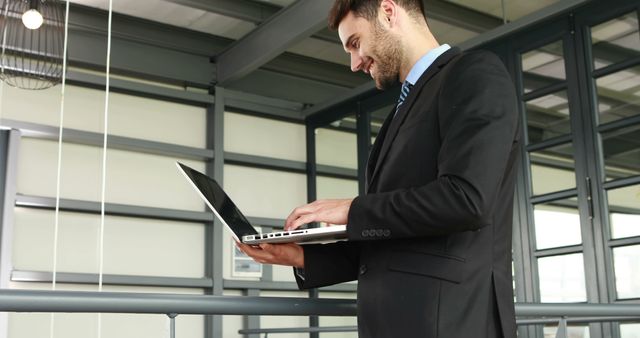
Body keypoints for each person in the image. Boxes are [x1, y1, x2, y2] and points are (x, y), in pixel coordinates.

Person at [237, 0, 520, 337]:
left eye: (355, 43)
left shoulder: (474, 73)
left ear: (388, 11)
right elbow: (395, 239)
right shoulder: (402, 111)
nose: (354, 63)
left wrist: (353, 208)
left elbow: (467, 199)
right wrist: (300, 256)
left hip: (448, 324)